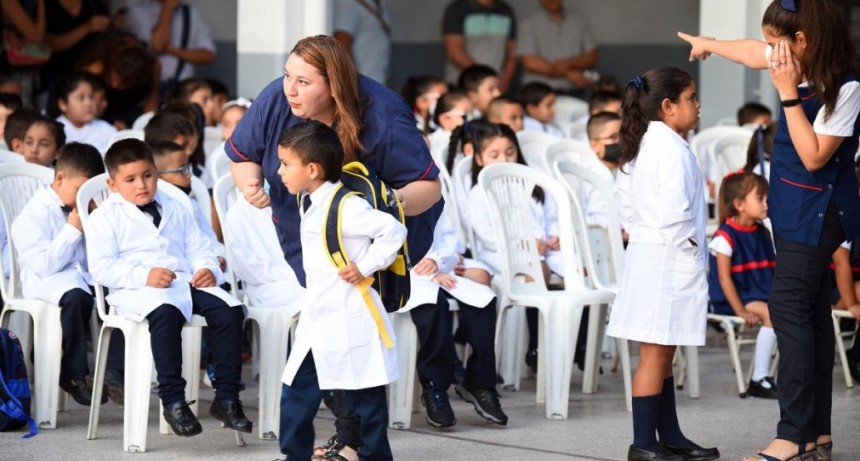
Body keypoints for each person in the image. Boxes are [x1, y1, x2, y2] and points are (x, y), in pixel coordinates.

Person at [225, 35, 441, 461]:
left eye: (303, 82)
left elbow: (427, 189)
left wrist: (370, 218)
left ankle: (355, 442)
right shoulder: (277, 99)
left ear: (334, 85)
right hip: (309, 245)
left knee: (350, 358)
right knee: (315, 365)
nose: (290, 89)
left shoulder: (383, 117)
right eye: (287, 76)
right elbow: (242, 153)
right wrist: (249, 183)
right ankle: (334, 443)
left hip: (361, 256)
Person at [680, 0, 860, 458]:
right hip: (793, 209)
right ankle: (816, 436)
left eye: (775, 44)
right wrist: (709, 43)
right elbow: (748, 51)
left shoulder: (845, 87)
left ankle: (792, 436)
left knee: (787, 307)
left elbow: (814, 156)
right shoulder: (791, 59)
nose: (769, 52)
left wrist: (787, 94)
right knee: (811, 312)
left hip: (820, 212)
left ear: (802, 40)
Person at [84, 138, 250, 437]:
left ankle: (227, 398)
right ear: (112, 184)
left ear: (156, 172)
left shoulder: (176, 205)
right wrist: (144, 275)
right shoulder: (104, 217)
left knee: (230, 311)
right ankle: (173, 400)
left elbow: (199, 246)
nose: (142, 185)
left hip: (183, 281)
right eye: (130, 180)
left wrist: (207, 268)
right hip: (136, 290)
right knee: (166, 314)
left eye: (148, 175)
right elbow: (101, 267)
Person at [607, 67, 719, 461]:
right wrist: (694, 250)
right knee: (655, 355)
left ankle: (669, 436)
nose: (698, 104)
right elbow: (674, 217)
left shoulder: (647, 143)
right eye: (691, 98)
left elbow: (625, 207)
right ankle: (643, 444)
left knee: (663, 353)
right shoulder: (668, 149)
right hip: (666, 262)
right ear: (668, 106)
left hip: (651, 256)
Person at [277, 120, 405, 461]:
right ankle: (294, 456)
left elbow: (393, 231)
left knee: (366, 400)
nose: (280, 172)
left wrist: (366, 265)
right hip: (318, 317)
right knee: (296, 392)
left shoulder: (347, 206)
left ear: (312, 169)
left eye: (286, 164)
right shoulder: (308, 200)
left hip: (350, 314)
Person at [10, 142, 118, 406]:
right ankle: (74, 373)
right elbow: (44, 265)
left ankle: (116, 372)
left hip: (81, 277)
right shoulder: (32, 216)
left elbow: (97, 257)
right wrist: (72, 230)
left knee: (121, 293)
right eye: (81, 190)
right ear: (60, 179)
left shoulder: (85, 210)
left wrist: (97, 223)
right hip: (45, 281)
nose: (84, 198)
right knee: (76, 297)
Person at [707, 172, 779, 399]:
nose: (766, 203)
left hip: (758, 293)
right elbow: (724, 278)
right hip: (735, 298)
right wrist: (740, 310)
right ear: (739, 204)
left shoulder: (762, 231)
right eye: (760, 198)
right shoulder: (725, 237)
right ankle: (759, 378)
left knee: (792, 311)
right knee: (773, 315)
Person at [125, 0, 215, 85]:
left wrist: (171, 50)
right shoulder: (139, 12)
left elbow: (208, 55)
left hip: (182, 83)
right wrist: (168, 8)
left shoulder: (190, 13)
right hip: (150, 84)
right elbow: (158, 46)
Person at [518, 0, 598, 94]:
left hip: (575, 92)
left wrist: (568, 63)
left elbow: (592, 58)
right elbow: (530, 62)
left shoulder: (579, 22)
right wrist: (568, 73)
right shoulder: (528, 24)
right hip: (539, 95)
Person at [442, 0, 516, 92]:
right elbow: (454, 52)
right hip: (463, 84)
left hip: (495, 85)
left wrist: (505, 79)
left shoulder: (505, 10)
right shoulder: (458, 8)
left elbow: (513, 52)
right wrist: (483, 77)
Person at [41, 0, 110, 98]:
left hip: (90, 80)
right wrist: (86, 28)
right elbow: (49, 46)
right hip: (57, 80)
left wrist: (115, 24)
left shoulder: (94, 5)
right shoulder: (48, 6)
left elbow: (105, 38)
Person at [51, 72, 116, 153]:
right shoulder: (53, 131)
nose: (88, 103)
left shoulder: (106, 129)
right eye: (81, 98)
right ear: (63, 104)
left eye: (91, 97)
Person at [333, 0, 391, 85]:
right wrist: (355, 84)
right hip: (362, 85)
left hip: (377, 82)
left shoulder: (380, 5)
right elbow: (341, 44)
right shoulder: (348, 3)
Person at [428, 90, 472, 157]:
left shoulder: (470, 138)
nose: (470, 120)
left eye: (471, 115)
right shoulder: (434, 144)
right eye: (464, 116)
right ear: (445, 119)